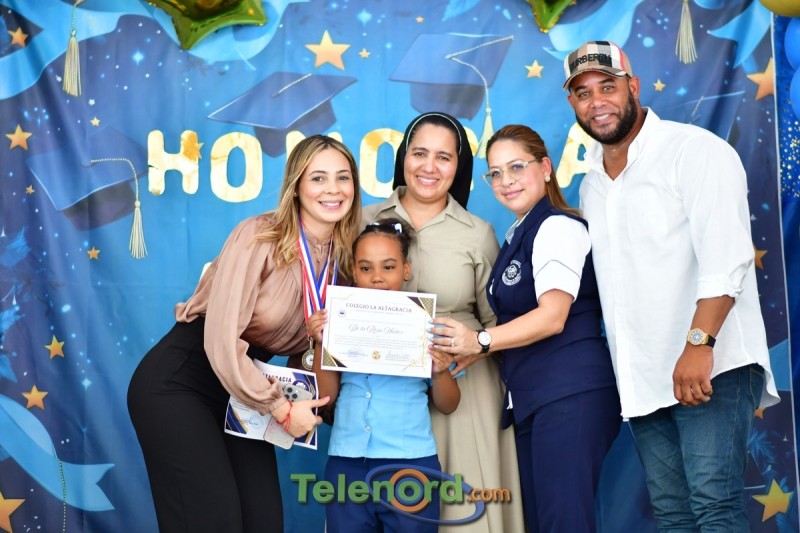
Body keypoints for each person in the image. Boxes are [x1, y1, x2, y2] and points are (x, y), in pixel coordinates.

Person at [562, 40, 780, 531]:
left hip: (710, 363)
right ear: (572, 102)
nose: (596, 102)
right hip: (644, 378)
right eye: (583, 93)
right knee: (673, 515)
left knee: (714, 505)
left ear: (634, 87)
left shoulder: (694, 151)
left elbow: (727, 257)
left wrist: (698, 345)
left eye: (607, 87)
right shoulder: (591, 183)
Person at [127, 135, 361, 533]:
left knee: (262, 521)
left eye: (343, 177)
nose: (333, 189)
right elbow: (220, 339)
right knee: (213, 522)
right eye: (318, 178)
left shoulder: (345, 261)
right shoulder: (258, 236)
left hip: (244, 392)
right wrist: (281, 408)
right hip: (183, 381)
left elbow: (303, 358)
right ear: (296, 186)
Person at [432, 125, 621, 531]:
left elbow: (553, 316)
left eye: (517, 167)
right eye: (496, 173)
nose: (506, 181)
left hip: (569, 394)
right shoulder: (520, 233)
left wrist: (481, 340)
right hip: (537, 399)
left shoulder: (557, 227)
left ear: (546, 168)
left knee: (564, 524)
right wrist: (475, 349)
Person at [362, 111, 525, 531]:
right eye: (419, 153)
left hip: (462, 390)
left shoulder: (477, 232)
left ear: (459, 166)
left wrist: (475, 345)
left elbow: (499, 322)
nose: (429, 167)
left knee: (465, 514)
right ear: (403, 157)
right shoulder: (362, 220)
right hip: (382, 392)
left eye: (443, 157)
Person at [308, 218, 460, 531]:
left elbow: (449, 404)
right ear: (353, 272)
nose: (377, 277)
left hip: (411, 464)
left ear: (406, 269)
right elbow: (326, 397)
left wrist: (441, 370)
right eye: (365, 268)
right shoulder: (339, 322)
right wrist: (321, 343)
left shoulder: (425, 326)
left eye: (388, 267)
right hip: (347, 461)